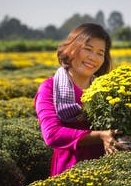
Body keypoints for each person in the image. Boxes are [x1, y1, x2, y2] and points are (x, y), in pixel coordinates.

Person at [34, 23, 125, 176]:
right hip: (70, 174)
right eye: (88, 49)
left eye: (100, 53)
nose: (93, 57)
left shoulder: (106, 89)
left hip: (108, 171)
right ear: (72, 48)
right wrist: (100, 135)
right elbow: (52, 134)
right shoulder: (49, 88)